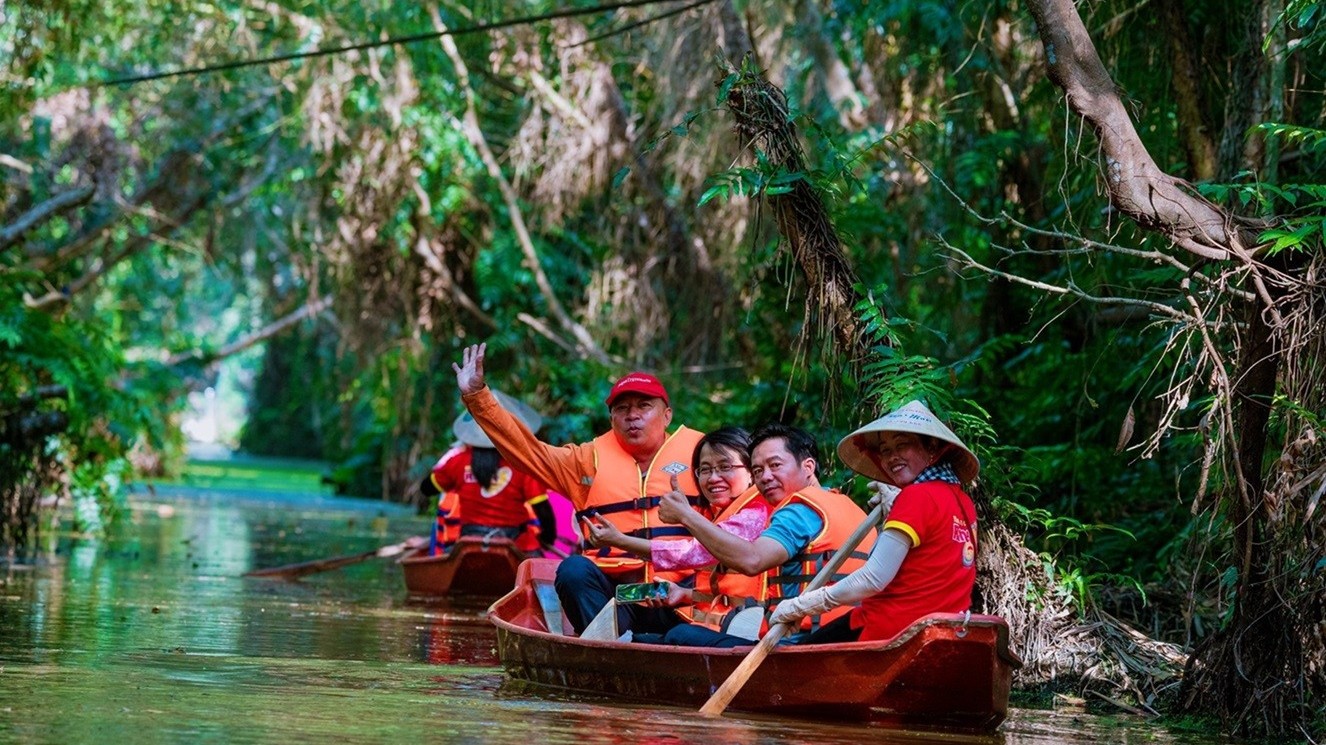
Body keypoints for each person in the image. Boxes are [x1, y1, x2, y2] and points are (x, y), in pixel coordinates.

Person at [452, 342, 705, 636]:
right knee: (573, 570)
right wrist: (477, 396)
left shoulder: (703, 456)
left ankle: (668, 638)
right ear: (612, 419)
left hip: (682, 596)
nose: (632, 415)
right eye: (622, 409)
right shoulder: (585, 461)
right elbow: (528, 451)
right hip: (616, 599)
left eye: (644, 406)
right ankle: (613, 643)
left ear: (667, 415)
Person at [769, 400, 980, 644]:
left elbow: (873, 578)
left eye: (902, 445)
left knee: (798, 659)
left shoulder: (917, 496)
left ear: (932, 447)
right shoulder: (963, 502)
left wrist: (802, 605)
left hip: (895, 631)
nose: (892, 457)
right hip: (942, 631)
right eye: (885, 450)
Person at [652, 423, 876, 646]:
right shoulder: (850, 507)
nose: (765, 477)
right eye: (758, 470)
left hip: (802, 644)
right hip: (850, 634)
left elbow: (753, 560)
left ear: (808, 466)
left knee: (680, 634)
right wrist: (687, 594)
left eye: (775, 465)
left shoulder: (798, 512)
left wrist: (687, 517)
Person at [581, 427, 771, 643]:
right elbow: (721, 591)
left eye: (725, 467)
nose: (714, 478)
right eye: (705, 470)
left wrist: (620, 540)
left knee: (677, 636)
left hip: (746, 635)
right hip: (713, 624)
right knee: (642, 638)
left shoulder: (754, 514)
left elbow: (694, 552)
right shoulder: (721, 514)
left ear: (751, 473)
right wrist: (683, 593)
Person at [418, 393, 557, 556]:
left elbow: (427, 489)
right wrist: (548, 538)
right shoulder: (522, 464)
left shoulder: (457, 461)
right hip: (516, 545)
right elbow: (543, 511)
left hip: (469, 544)